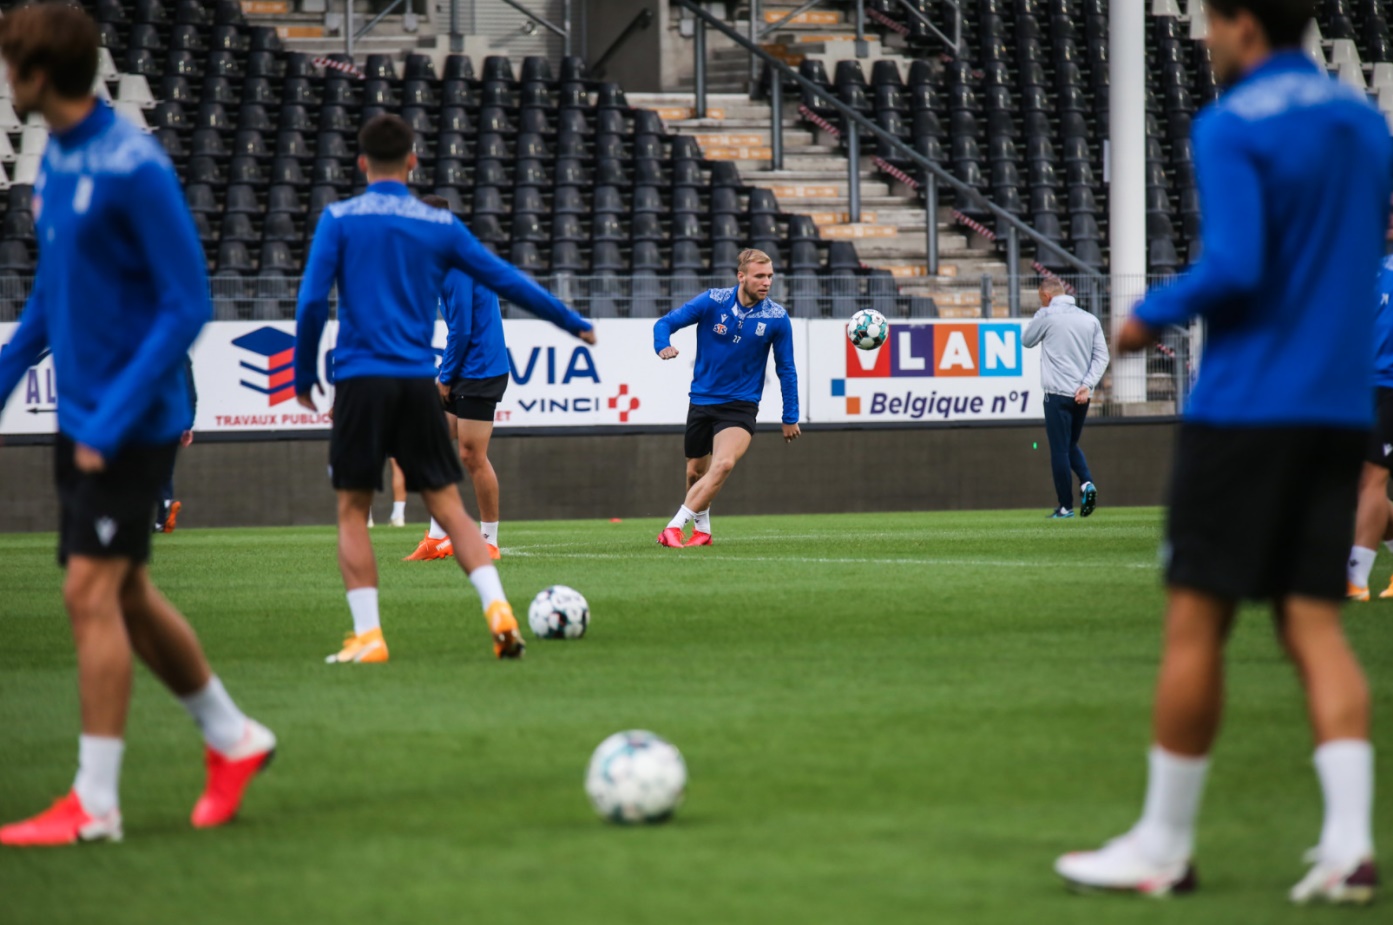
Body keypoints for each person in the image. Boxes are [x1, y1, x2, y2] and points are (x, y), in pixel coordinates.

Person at [1055, 0, 1391, 904]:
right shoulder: (1362, 122)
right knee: (1312, 623)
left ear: (1244, 22)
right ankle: (1348, 845)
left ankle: (1162, 844)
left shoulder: (1231, 122)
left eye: (1209, 19)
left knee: (1196, 623)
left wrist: (1146, 314)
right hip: (1335, 409)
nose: (1201, 38)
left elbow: (1238, 265)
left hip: (1247, 409)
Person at [0, 3, 275, 845]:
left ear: (40, 74)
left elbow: (186, 303)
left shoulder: (132, 163)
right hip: (84, 417)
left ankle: (96, 803)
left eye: (12, 66)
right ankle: (233, 736)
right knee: (124, 591)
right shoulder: (56, 161)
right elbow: (50, 299)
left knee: (88, 592)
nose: (6, 81)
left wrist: (112, 417)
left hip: (129, 423)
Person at [295, 114, 595, 663]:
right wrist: (570, 322)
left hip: (361, 377)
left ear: (362, 164)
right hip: (416, 378)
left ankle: (369, 635)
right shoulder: (438, 225)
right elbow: (505, 278)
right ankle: (499, 610)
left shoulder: (339, 218)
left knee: (352, 509)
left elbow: (313, 301)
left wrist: (302, 373)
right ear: (412, 162)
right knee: (448, 502)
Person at [406, 193, 550, 563]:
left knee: (472, 455)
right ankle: (438, 537)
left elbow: (463, 330)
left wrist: (444, 376)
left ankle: (488, 540)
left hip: (480, 370)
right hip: (465, 368)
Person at [652, 249, 800, 548]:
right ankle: (703, 531)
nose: (766, 282)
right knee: (695, 473)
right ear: (741, 276)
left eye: (770, 276)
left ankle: (673, 527)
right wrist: (662, 345)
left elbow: (786, 369)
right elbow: (664, 323)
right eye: (759, 276)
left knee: (723, 464)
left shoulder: (777, 318)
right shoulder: (712, 301)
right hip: (702, 400)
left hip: (740, 404)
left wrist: (790, 416)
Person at [1021, 277, 1108, 519]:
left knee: (1059, 450)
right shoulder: (1090, 319)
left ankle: (1065, 506)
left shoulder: (1047, 316)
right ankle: (1087, 483)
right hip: (1081, 396)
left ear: (1046, 296)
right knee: (1070, 445)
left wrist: (1041, 312)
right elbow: (1102, 357)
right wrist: (1086, 385)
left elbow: (1026, 341)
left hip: (1057, 395)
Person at [1346, 254, 1393, 600]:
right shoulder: (1372, 266)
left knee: (1372, 476)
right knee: (1357, 487)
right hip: (1361, 387)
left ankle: (1355, 579)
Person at [153, 355, 196, 534]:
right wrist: (187, 425)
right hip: (172, 421)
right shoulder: (181, 355)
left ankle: (160, 510)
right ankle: (162, 515)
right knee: (165, 470)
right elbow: (191, 393)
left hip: (149, 419)